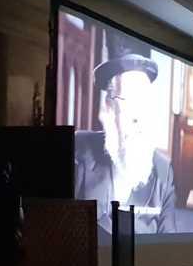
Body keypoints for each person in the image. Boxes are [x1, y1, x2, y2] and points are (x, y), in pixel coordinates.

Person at [74, 29, 176, 235]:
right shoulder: (78, 152)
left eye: (145, 101)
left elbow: (170, 247)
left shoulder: (163, 172)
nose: (139, 116)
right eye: (129, 100)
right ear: (109, 109)